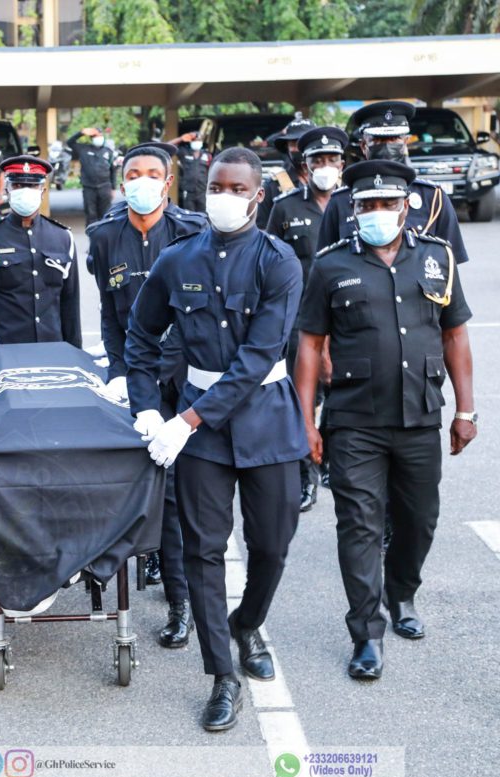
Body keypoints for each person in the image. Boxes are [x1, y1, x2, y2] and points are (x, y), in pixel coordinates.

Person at [125, 147, 307, 732]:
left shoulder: (280, 262)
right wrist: (148, 408)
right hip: (199, 436)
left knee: (273, 546)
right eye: (216, 187)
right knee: (202, 552)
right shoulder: (178, 260)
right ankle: (222, 674)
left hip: (264, 420)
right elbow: (141, 334)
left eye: (236, 189)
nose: (223, 197)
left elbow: (258, 358)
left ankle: (247, 622)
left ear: (258, 196)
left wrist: (186, 420)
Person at [294, 160, 476, 680]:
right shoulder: (330, 266)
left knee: (418, 520)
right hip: (354, 419)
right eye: (367, 206)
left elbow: (456, 334)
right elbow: (309, 344)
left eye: (387, 204)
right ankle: (366, 634)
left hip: (420, 414)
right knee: (359, 525)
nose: (377, 213)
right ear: (353, 211)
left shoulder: (437, 258)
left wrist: (466, 409)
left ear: (404, 206)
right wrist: (306, 420)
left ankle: (402, 596)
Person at [86, 143, 207, 647]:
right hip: (135, 378)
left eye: (151, 173)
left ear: (168, 180)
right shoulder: (104, 236)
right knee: (134, 479)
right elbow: (110, 316)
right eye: (132, 173)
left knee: (180, 495)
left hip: (185, 377)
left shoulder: (192, 232)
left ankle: (181, 603)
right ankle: (142, 559)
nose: (141, 181)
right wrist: (118, 372)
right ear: (121, 180)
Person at [265, 126, 348, 513]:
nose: (326, 167)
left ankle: (329, 460)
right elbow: (269, 262)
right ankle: (305, 476)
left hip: (349, 319)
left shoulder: (356, 206)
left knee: (342, 394)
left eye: (332, 160)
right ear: (306, 165)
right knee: (302, 398)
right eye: (318, 161)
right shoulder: (285, 207)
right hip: (300, 321)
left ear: (344, 164)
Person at [317, 101, 468, 264]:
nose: (387, 146)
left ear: (406, 142)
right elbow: (326, 263)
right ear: (363, 145)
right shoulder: (340, 201)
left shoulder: (433, 198)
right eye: (379, 140)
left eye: (394, 139)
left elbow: (449, 266)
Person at [0, 155, 81, 347]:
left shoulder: (62, 238)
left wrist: (74, 352)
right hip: (5, 347)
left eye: (32, 186)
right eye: (17, 186)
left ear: (43, 190)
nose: (25, 191)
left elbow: (70, 304)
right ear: (7, 189)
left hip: (53, 346)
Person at [256, 113, 315, 228]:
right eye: (294, 143)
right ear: (286, 148)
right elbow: (262, 229)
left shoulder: (333, 182)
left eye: (304, 143)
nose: (300, 149)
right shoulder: (272, 186)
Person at [66, 126, 118, 225]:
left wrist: (113, 188)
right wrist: (81, 133)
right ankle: (92, 235)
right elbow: (70, 142)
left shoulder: (108, 151)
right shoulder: (84, 149)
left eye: (100, 135)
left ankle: (105, 236)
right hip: (89, 187)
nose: (98, 138)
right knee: (91, 214)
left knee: (105, 213)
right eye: (95, 136)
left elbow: (113, 170)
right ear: (91, 138)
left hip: (105, 187)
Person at [173, 132, 211, 212]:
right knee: (189, 216)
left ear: (202, 141)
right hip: (188, 192)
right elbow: (168, 147)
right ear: (190, 141)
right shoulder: (184, 153)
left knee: (204, 217)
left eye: (199, 140)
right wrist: (181, 138)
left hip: (202, 193)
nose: (197, 141)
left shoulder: (207, 155)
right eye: (194, 140)